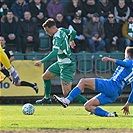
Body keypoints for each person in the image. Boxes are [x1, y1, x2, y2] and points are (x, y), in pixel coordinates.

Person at [54, 46, 133, 117]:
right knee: (87, 106)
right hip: (115, 93)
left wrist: (109, 59)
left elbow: (125, 64)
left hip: (111, 85)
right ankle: (110, 115)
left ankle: (67, 101)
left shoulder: (129, 61)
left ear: (128, 55)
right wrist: (127, 104)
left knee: (83, 81)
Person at [34, 18, 88, 105]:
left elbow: (54, 52)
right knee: (46, 76)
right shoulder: (62, 29)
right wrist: (71, 40)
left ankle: (89, 103)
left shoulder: (57, 37)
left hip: (67, 65)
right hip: (60, 63)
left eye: (47, 30)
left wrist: (41, 61)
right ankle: (47, 98)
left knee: (67, 93)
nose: (46, 33)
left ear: (52, 28)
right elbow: (73, 32)